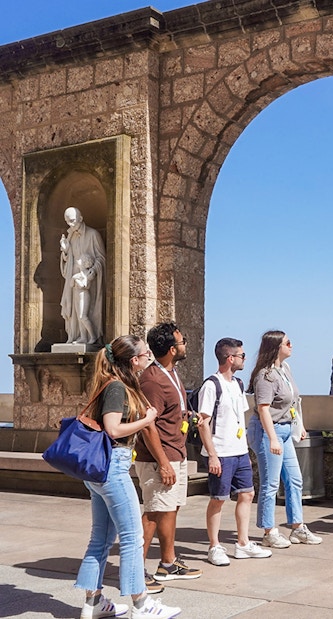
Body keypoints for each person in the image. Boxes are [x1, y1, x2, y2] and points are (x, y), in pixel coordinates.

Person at [75, 335, 181, 619]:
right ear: (134, 360)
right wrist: (147, 420)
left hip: (100, 470)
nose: (149, 358)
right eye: (146, 355)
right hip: (113, 468)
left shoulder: (111, 384)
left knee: (101, 538)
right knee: (133, 538)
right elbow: (112, 429)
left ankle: (93, 603)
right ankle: (141, 604)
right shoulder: (117, 388)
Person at [134, 323, 202, 588]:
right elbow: (148, 425)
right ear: (173, 349)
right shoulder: (152, 380)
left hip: (176, 451)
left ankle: (167, 563)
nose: (185, 344)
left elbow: (170, 412)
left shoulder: (170, 372)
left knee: (170, 508)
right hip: (158, 458)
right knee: (153, 512)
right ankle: (135, 571)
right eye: (182, 341)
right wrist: (163, 463)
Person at [198, 338, 272, 566]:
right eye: (241, 355)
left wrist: (246, 450)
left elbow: (241, 419)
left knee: (247, 494)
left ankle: (242, 543)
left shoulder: (238, 384)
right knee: (219, 499)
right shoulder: (211, 385)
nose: (244, 359)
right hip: (221, 451)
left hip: (239, 451)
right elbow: (203, 423)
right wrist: (212, 454)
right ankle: (214, 546)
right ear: (230, 358)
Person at [247, 330, 322, 548]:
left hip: (286, 430)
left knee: (295, 479)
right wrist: (272, 439)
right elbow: (263, 410)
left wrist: (298, 425)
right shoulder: (265, 376)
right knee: (270, 483)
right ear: (276, 347)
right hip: (267, 431)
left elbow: (292, 402)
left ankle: (297, 527)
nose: (292, 345)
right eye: (287, 342)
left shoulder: (284, 369)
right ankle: (269, 531)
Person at [60, 206, 105, 345]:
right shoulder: (70, 236)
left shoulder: (93, 234)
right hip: (73, 277)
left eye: (73, 221)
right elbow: (67, 260)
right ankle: (77, 336)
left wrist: (91, 273)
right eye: (68, 222)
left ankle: (91, 337)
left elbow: (101, 258)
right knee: (73, 310)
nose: (70, 225)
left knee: (83, 313)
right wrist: (65, 251)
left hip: (87, 279)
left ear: (80, 218)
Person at [72, 254, 97, 344]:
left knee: (83, 317)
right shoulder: (78, 274)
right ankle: (83, 337)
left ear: (84, 262)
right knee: (79, 317)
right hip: (77, 295)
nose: (77, 260)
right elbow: (71, 284)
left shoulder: (89, 272)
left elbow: (84, 285)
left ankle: (93, 336)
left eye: (80, 259)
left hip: (84, 295)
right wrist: (75, 278)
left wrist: (76, 279)